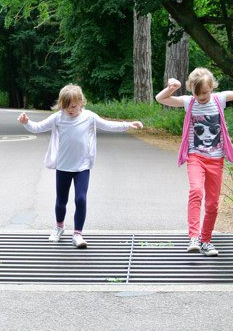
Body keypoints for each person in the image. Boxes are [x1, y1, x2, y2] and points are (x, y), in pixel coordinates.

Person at [155, 68, 233, 256]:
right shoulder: (189, 102)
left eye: (205, 93)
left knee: (213, 204)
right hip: (196, 157)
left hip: (216, 160)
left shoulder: (219, 99)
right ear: (192, 89)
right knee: (196, 191)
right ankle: (193, 237)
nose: (202, 97)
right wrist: (171, 88)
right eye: (197, 94)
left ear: (212, 87)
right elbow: (161, 99)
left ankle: (206, 240)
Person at [18, 84, 143, 248]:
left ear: (81, 102)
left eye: (74, 106)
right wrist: (26, 122)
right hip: (63, 167)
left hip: (82, 167)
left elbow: (108, 124)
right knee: (61, 201)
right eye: (66, 106)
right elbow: (38, 127)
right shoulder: (58, 117)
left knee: (81, 199)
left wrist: (128, 125)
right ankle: (59, 227)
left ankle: (78, 234)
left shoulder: (89, 117)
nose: (70, 110)